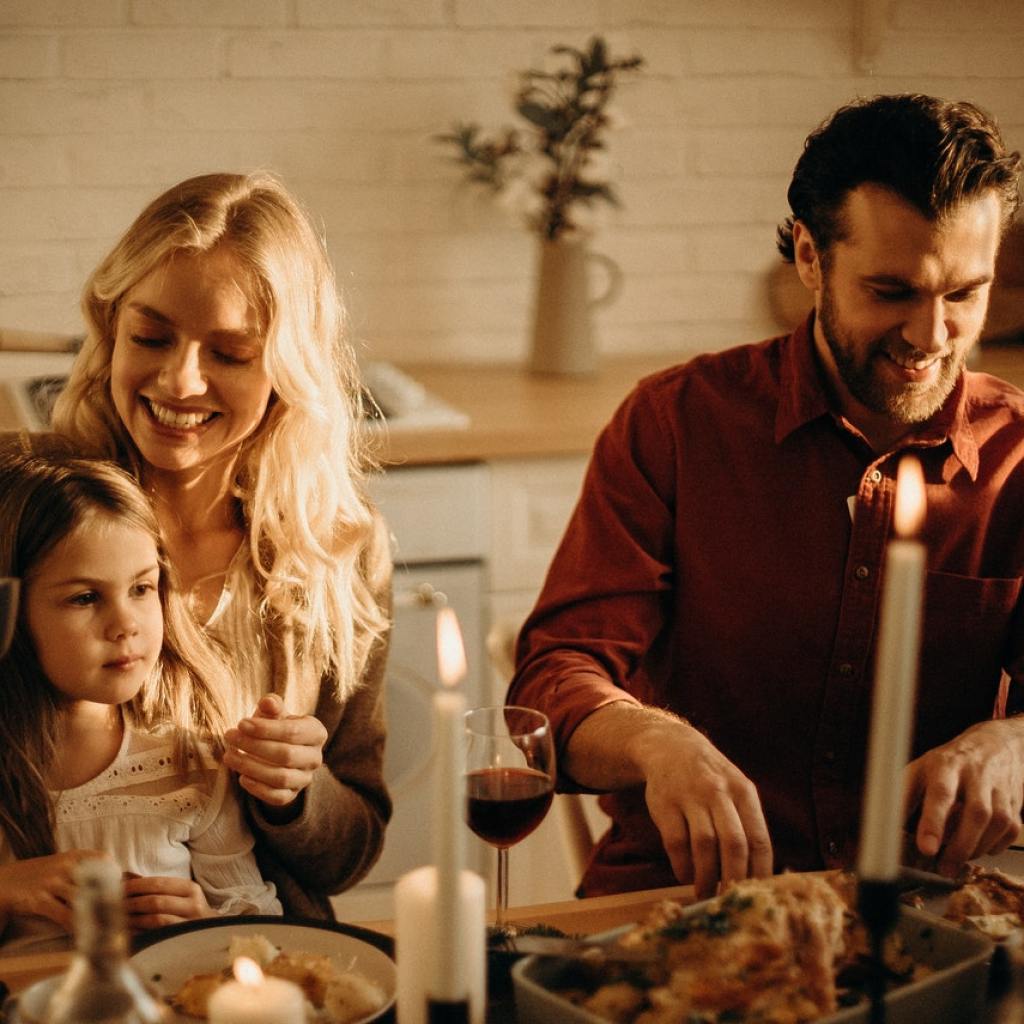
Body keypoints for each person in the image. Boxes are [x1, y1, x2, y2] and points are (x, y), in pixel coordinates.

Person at [508, 93, 1024, 899]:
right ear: (811, 258)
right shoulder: (674, 424)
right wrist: (654, 742)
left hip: (933, 915)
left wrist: (1014, 745)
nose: (931, 336)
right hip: (686, 902)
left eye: (963, 295)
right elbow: (553, 676)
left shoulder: (1019, 458)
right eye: (892, 291)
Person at [14, 171, 393, 919]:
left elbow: (351, 854)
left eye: (230, 353)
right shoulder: (23, 502)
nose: (179, 380)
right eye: (150, 336)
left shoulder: (336, 553)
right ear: (109, 326)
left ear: (288, 369)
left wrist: (297, 794)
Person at [0, 452, 282, 953]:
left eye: (141, 588)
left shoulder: (191, 761)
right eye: (85, 598)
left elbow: (258, 927)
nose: (125, 623)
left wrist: (204, 926)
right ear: (10, 612)